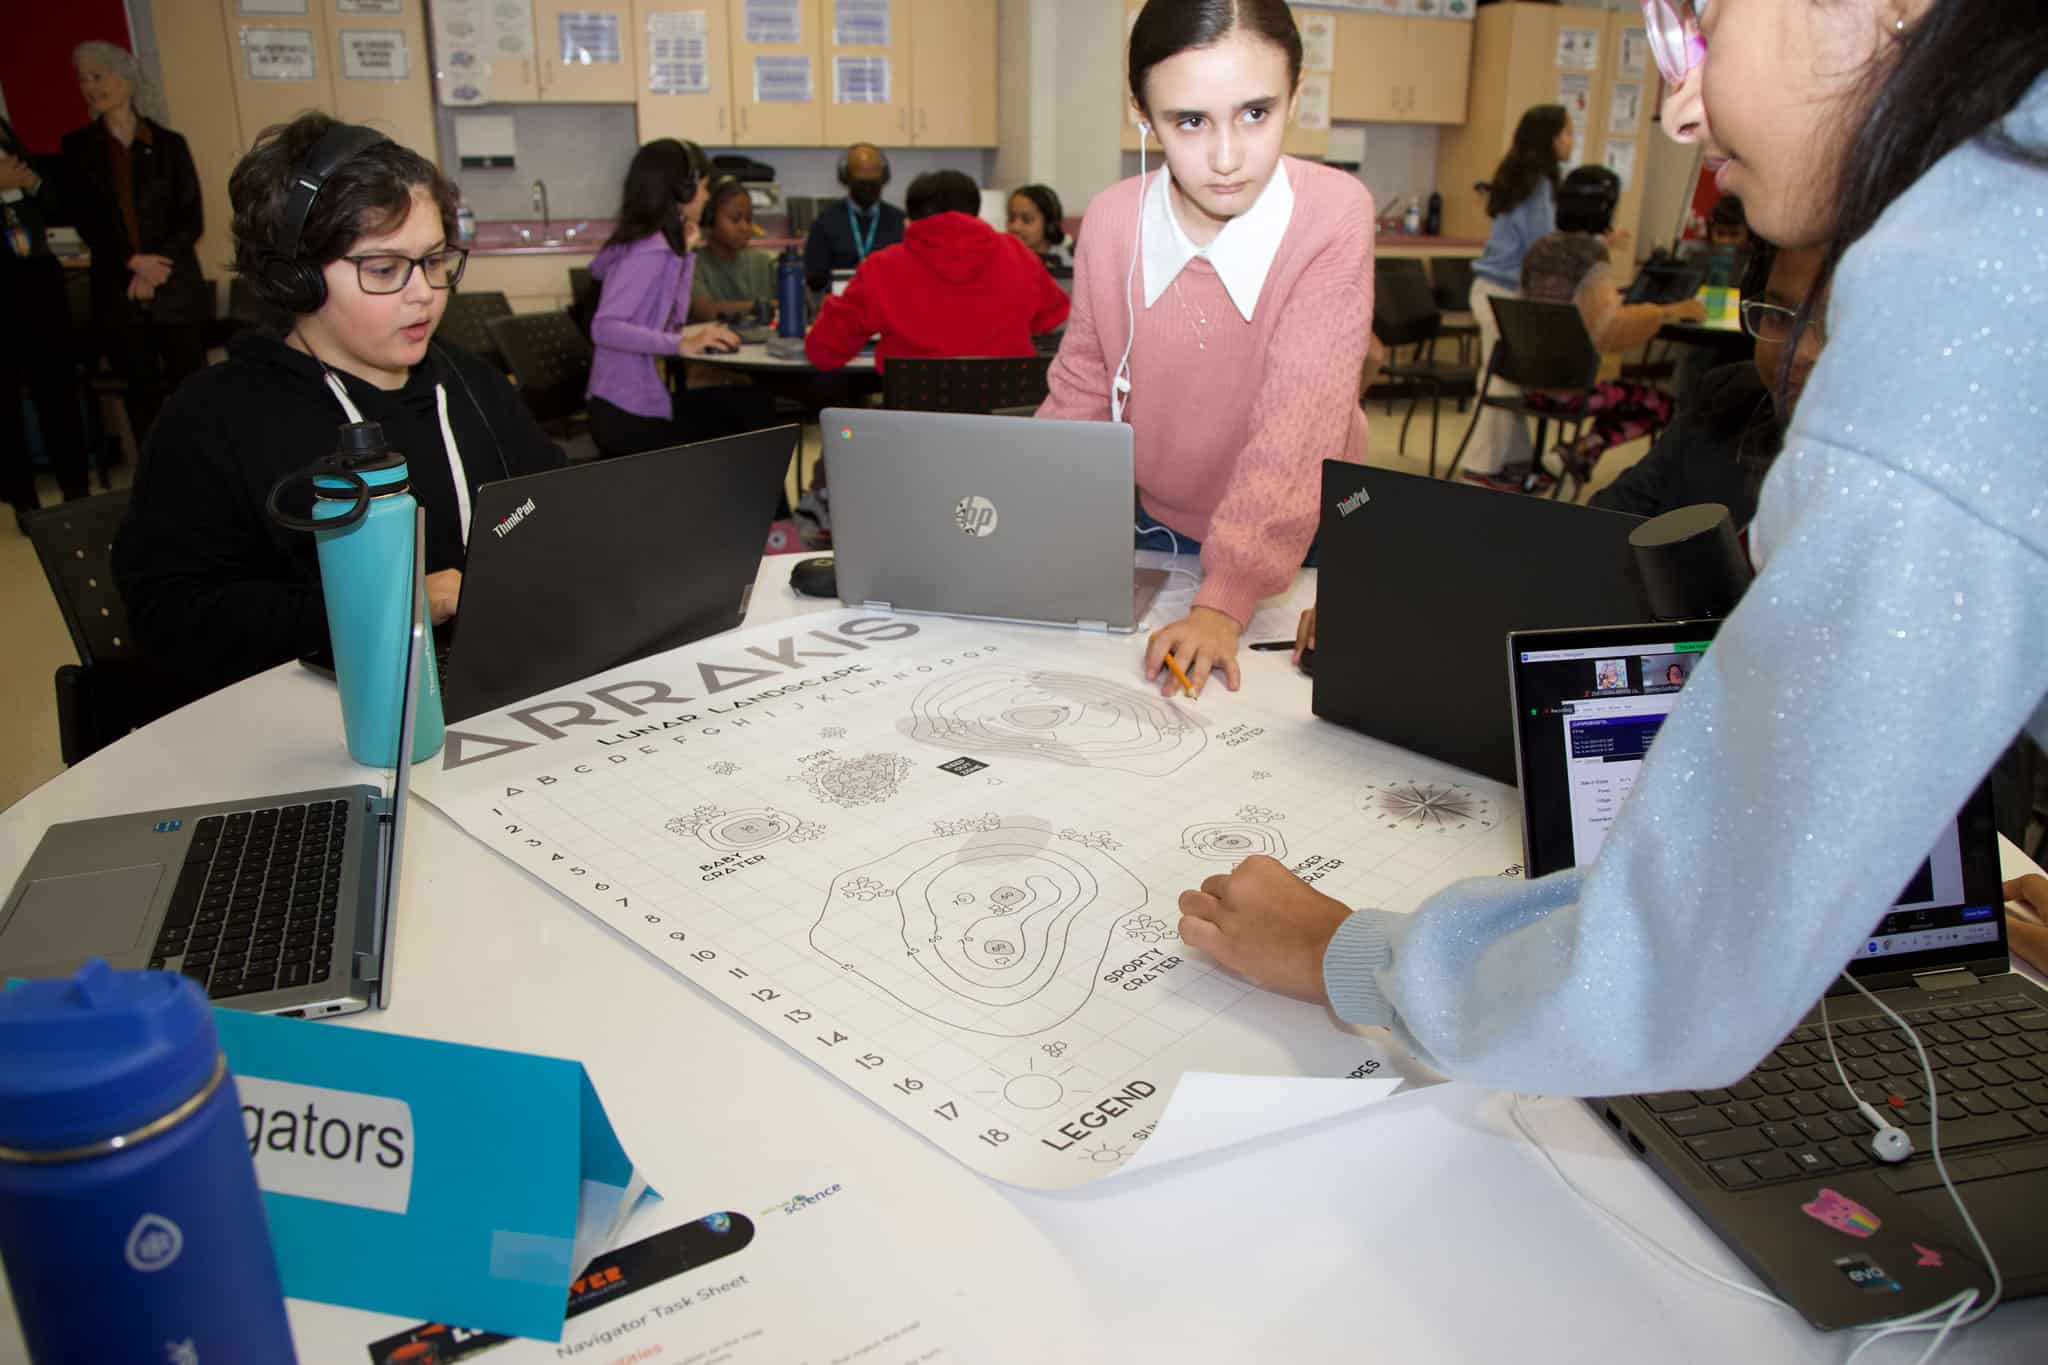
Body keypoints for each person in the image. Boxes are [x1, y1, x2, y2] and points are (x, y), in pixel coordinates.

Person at [1178, 0, 2048, 1098]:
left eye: (1699, 28)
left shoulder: (1969, 288)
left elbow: (1689, 949)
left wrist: (1343, 953)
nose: (1678, 109)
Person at [111, 114, 565, 710]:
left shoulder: (467, 379)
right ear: (296, 280)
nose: (424, 291)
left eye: (434, 260)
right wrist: (393, 603)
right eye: (383, 269)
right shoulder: (214, 417)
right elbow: (172, 619)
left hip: (486, 683)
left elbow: (555, 508)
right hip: (309, 712)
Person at [1038, 0, 1373, 700]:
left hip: (1300, 536)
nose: (1226, 158)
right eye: (1188, 121)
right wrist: (1033, 527)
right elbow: (1080, 396)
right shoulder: (1111, 220)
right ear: (1142, 114)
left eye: (1256, 113)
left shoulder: (1333, 214)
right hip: (1159, 530)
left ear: (1296, 97)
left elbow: (1299, 427)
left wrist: (1225, 600)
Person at [1590, 240, 1827, 525]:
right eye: (1777, 316)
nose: (1798, 351)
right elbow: (1614, 511)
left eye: (1836, 322)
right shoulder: (1727, 399)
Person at [1512, 164, 1704, 489]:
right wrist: (1668, 311)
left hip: (1529, 382)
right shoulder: (1591, 255)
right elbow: (1609, 330)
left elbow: (1559, 304)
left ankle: (1568, 459)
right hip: (1569, 390)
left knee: (1623, 397)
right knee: (1663, 406)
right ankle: (1581, 450)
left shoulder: (1541, 247)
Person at [585, 139, 771, 461]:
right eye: (703, 186)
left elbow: (672, 321)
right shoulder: (648, 250)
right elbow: (604, 328)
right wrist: (683, 345)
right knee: (750, 413)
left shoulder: (658, 246)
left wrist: (685, 256)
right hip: (626, 415)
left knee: (749, 406)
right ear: (683, 190)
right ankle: (767, 511)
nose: (707, 196)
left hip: (635, 405)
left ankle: (760, 510)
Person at [62, 42, 209, 447]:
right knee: (140, 389)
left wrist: (156, 265)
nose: (90, 87)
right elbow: (86, 219)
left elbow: (190, 216)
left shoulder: (168, 143)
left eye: (98, 76)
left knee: (190, 388)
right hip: (118, 285)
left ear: (125, 79)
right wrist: (132, 262)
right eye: (83, 79)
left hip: (174, 283)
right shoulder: (78, 148)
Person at [804, 170, 1069, 373]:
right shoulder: (1017, 254)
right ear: (976, 213)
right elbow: (1050, 319)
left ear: (909, 221)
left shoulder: (881, 267)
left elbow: (823, 351)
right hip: (1004, 428)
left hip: (912, 432)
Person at [1462, 103, 1571, 485]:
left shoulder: (1521, 178)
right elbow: (1542, 245)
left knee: (1509, 377)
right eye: (1568, 133)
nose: (1571, 141)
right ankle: (1481, 468)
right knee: (1501, 382)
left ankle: (1516, 461)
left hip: (1495, 290)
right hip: (1503, 293)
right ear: (1550, 138)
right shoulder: (1538, 184)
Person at [1, 113, 90, 528]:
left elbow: (65, 206)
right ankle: (24, 502)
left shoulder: (23, 160)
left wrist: (28, 184)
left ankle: (76, 491)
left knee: (58, 391)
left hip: (40, 287)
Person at [803, 142, 905, 293]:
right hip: (840, 306)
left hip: (889, 305)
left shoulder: (900, 222)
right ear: (846, 179)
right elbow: (814, 279)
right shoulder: (825, 223)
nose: (868, 189)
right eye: (861, 183)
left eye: (873, 183)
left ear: (883, 180)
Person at [689, 178, 775, 323]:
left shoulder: (763, 262)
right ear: (710, 218)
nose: (744, 228)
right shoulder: (692, 264)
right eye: (735, 219)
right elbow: (708, 312)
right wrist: (763, 306)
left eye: (748, 219)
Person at [1007, 183, 1071, 269]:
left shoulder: (1066, 266)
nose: (1015, 227)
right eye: (1011, 218)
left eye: (1027, 220)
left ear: (1049, 225)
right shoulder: (1003, 258)